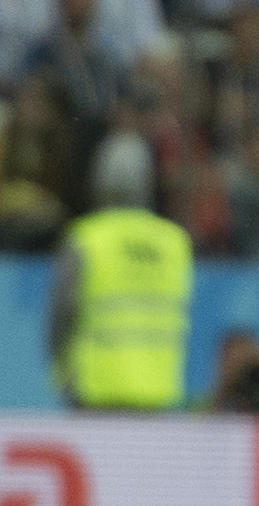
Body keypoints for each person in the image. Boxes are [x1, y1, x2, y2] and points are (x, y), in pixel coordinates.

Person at [48, 136, 193, 411]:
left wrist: (60, 372)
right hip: (157, 394)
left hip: (94, 392)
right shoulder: (174, 243)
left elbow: (60, 314)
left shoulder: (86, 239)